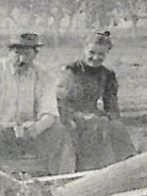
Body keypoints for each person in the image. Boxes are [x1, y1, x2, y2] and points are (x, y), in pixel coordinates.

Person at [0, 31, 76, 176]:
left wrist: (36, 128)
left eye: (27, 54)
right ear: (9, 52)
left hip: (29, 133)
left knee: (59, 132)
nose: (21, 59)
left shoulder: (43, 76)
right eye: (17, 53)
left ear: (35, 54)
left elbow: (50, 113)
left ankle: (62, 184)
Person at [58, 30, 136, 171]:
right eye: (92, 53)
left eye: (101, 54)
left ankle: (125, 168)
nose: (95, 58)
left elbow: (111, 104)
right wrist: (75, 116)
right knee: (95, 125)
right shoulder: (71, 70)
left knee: (114, 127)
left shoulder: (107, 75)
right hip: (71, 116)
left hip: (93, 114)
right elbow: (60, 101)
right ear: (84, 49)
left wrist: (114, 119)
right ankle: (87, 169)